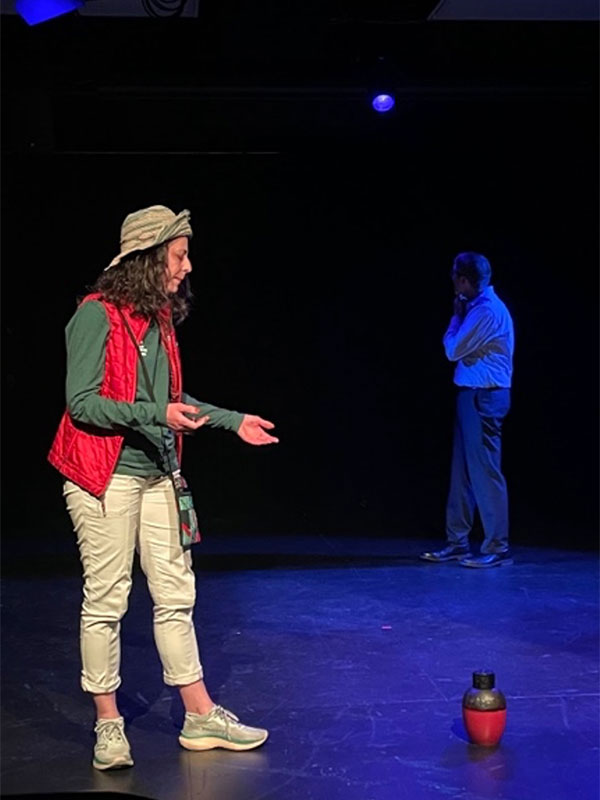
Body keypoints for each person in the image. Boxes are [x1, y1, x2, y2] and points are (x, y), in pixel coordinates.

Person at [48, 205, 278, 770]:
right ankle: (108, 723)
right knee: (107, 599)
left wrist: (231, 419)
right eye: (178, 256)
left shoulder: (160, 322)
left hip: (156, 475)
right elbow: (83, 404)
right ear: (150, 258)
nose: (186, 266)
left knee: (176, 594)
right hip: (102, 476)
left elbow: (176, 403)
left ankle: (198, 716)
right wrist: (158, 413)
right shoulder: (95, 316)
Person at [420, 252, 514, 568]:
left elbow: (453, 350)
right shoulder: (477, 308)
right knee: (462, 475)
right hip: (471, 396)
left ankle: (497, 546)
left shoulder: (486, 311)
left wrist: (456, 318)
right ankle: (457, 542)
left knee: (485, 472)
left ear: (463, 280)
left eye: (456, 278)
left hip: (485, 398)